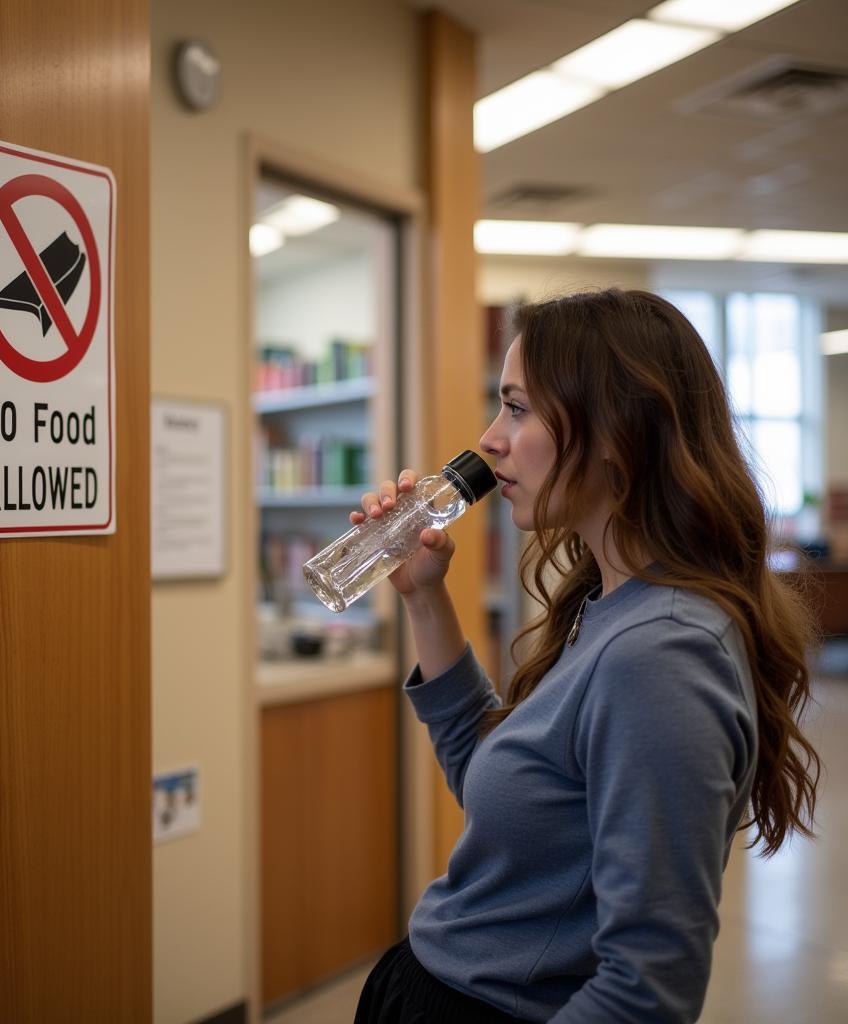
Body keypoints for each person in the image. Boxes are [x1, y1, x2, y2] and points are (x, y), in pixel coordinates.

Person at [352, 289, 821, 1024]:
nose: (489, 440)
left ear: (616, 432)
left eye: (516, 408)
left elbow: (648, 989)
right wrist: (423, 596)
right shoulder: (609, 609)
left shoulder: (661, 656)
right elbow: (489, 779)